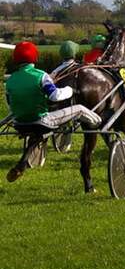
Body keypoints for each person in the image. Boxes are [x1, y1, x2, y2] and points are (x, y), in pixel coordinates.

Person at [5, 42, 102, 182]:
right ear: (34, 57)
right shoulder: (41, 76)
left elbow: (10, 103)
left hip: (19, 123)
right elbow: (55, 96)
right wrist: (69, 91)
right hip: (42, 122)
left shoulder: (10, 80)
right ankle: (98, 122)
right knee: (80, 109)